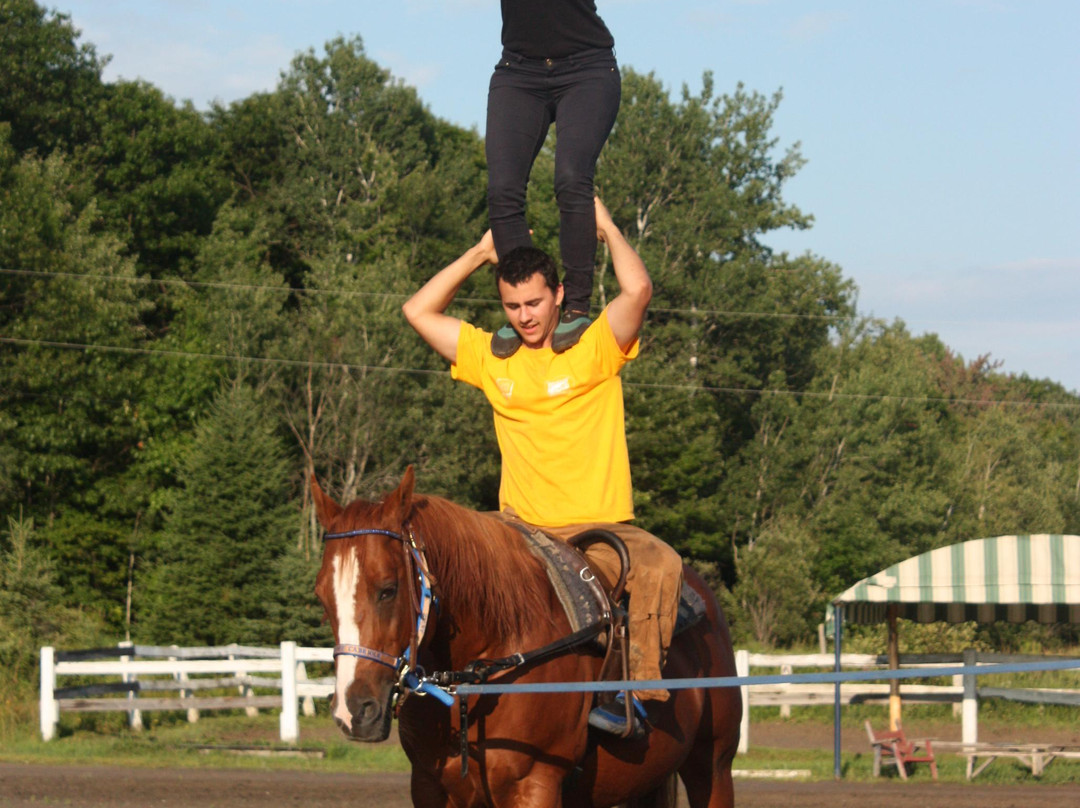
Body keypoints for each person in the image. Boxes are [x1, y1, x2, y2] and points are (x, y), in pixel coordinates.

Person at [402, 198, 683, 738]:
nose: (524, 316)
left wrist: (605, 226)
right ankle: (425, 691)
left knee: (662, 562)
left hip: (597, 529)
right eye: (511, 306)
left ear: (558, 295)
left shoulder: (596, 347)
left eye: (534, 302)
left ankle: (631, 693)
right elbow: (418, 310)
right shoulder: (492, 358)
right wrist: (479, 253)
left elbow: (638, 291)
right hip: (520, 529)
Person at [485, 0, 621, 358]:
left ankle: (575, 306)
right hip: (518, 71)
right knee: (502, 190)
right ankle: (522, 300)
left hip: (587, 67)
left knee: (572, 178)